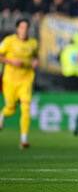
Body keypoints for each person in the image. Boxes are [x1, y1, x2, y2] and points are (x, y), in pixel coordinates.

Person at [0, 19, 39, 148]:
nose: (24, 30)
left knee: (25, 109)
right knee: (11, 109)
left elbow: (35, 55)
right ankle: (3, 114)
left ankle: (24, 139)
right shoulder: (9, 41)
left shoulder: (33, 43)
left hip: (26, 81)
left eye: (26, 27)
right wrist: (11, 62)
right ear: (17, 29)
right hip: (10, 80)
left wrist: (36, 61)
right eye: (22, 27)